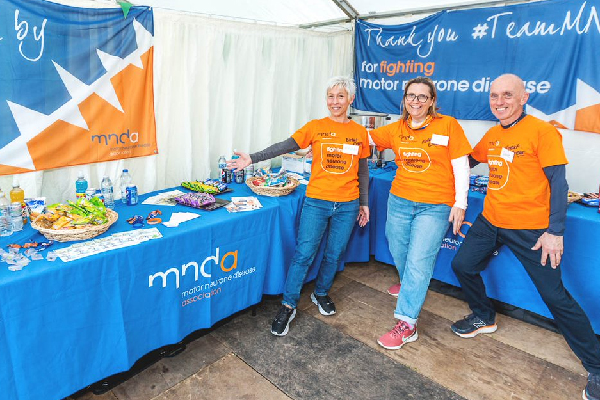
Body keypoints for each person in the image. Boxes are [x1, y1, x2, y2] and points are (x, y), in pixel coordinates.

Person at [449, 74, 600, 400]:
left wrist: (554, 232)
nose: (499, 101)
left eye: (506, 95)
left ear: (523, 97)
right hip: (491, 220)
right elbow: (469, 160)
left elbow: (559, 183)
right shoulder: (492, 134)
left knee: (555, 297)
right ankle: (484, 316)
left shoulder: (542, 132)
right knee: (462, 265)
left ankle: (597, 366)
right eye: (494, 96)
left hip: (531, 229)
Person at [228, 76, 370, 336]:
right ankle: (288, 304)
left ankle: (321, 293)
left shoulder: (360, 133)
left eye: (340, 96)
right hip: (317, 201)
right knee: (304, 254)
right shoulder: (316, 127)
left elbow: (362, 171)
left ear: (350, 99)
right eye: (330, 96)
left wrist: (364, 203)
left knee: (334, 253)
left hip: (348, 204)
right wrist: (253, 158)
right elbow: (285, 145)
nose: (334, 101)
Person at [369, 76, 473, 349]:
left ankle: (407, 323)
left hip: (435, 204)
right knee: (398, 248)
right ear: (404, 100)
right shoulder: (396, 128)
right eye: (411, 96)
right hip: (400, 200)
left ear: (432, 101)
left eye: (422, 97)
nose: (416, 101)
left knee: (418, 260)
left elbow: (461, 165)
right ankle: (408, 287)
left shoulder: (447, 125)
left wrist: (460, 203)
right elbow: (365, 138)